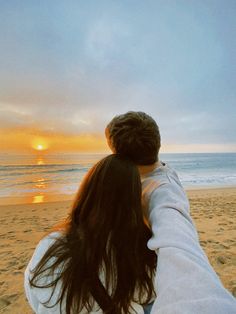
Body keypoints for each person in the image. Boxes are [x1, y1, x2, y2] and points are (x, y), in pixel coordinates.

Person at [106, 111, 236, 314]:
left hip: (152, 294)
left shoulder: (162, 193)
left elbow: (177, 240)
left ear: (118, 156)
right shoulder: (161, 171)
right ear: (157, 143)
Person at [24, 154, 157, 314]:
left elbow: (33, 293)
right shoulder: (137, 253)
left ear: (87, 191)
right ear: (133, 203)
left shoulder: (50, 243)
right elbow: (150, 295)